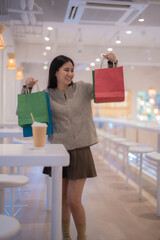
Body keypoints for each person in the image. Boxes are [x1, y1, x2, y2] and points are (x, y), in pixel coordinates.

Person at [24, 52, 117, 240]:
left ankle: (82, 237)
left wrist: (112, 63)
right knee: (62, 201)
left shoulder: (82, 89)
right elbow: (25, 115)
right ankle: (65, 237)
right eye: (66, 70)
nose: (70, 74)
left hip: (81, 151)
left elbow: (107, 87)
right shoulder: (46, 95)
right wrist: (27, 88)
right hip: (58, 152)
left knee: (74, 201)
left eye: (72, 70)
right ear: (55, 72)